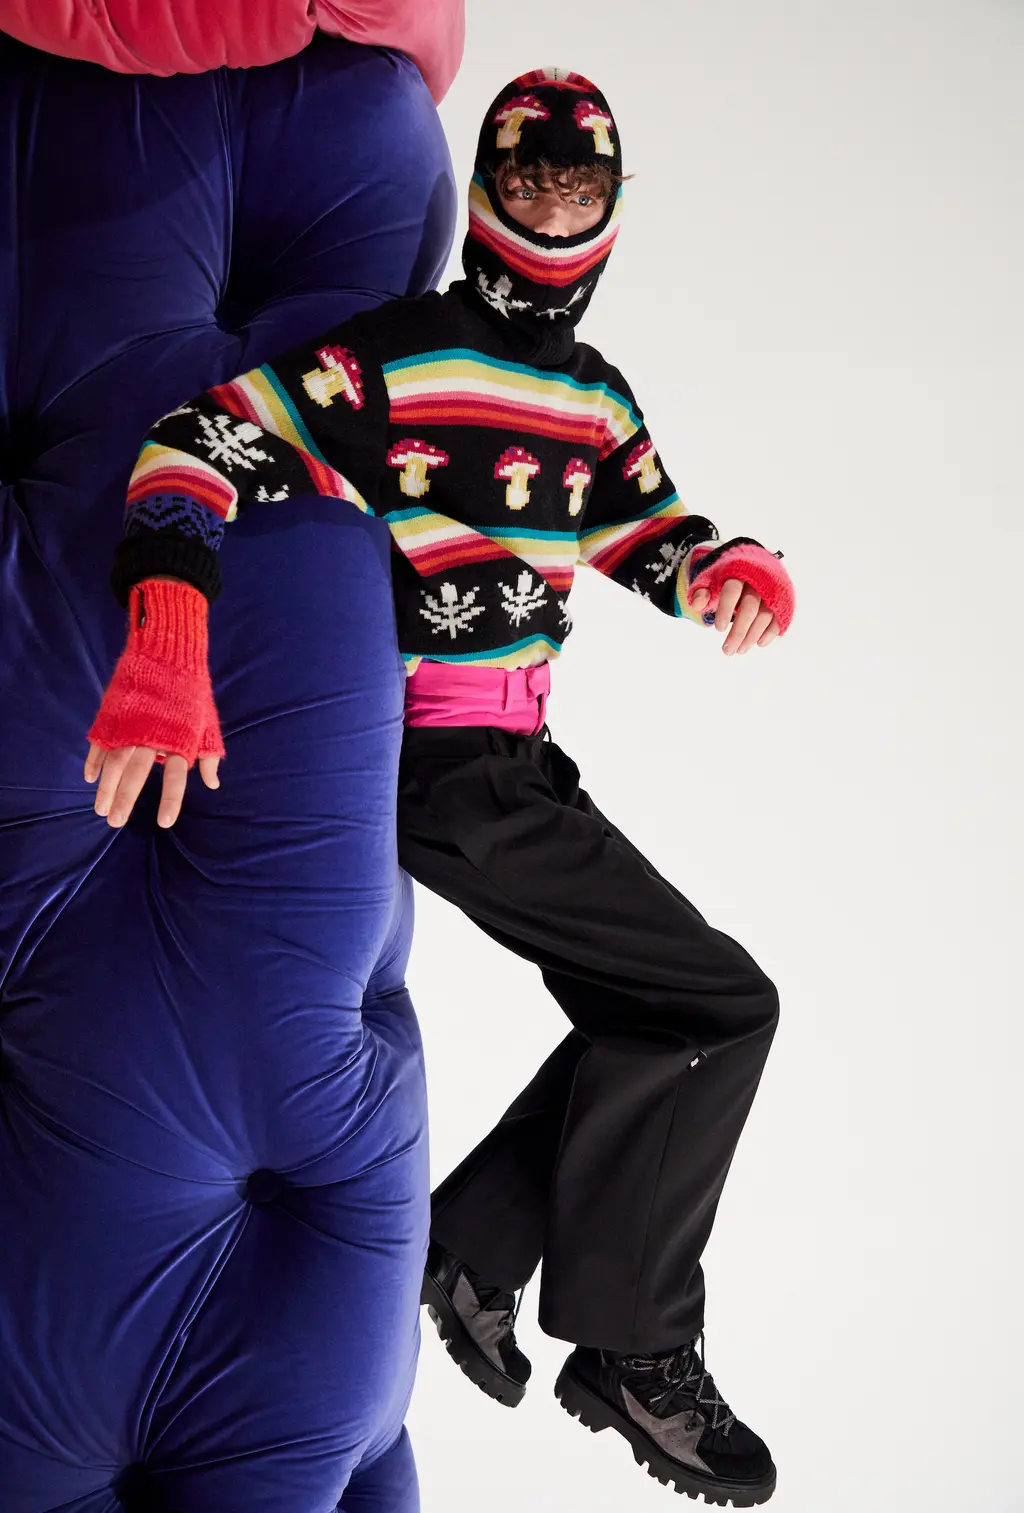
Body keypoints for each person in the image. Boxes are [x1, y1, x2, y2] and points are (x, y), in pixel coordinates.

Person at [85, 67, 794, 1507]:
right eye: (529, 185)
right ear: (484, 193)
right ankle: (635, 1347)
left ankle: (473, 1249)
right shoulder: (402, 358)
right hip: (435, 759)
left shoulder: (593, 394)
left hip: (520, 760)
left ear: (612, 210)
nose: (552, 215)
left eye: (579, 192)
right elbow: (193, 445)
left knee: (658, 1016)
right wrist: (166, 638)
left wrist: (725, 567)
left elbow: (645, 526)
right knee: (722, 1005)